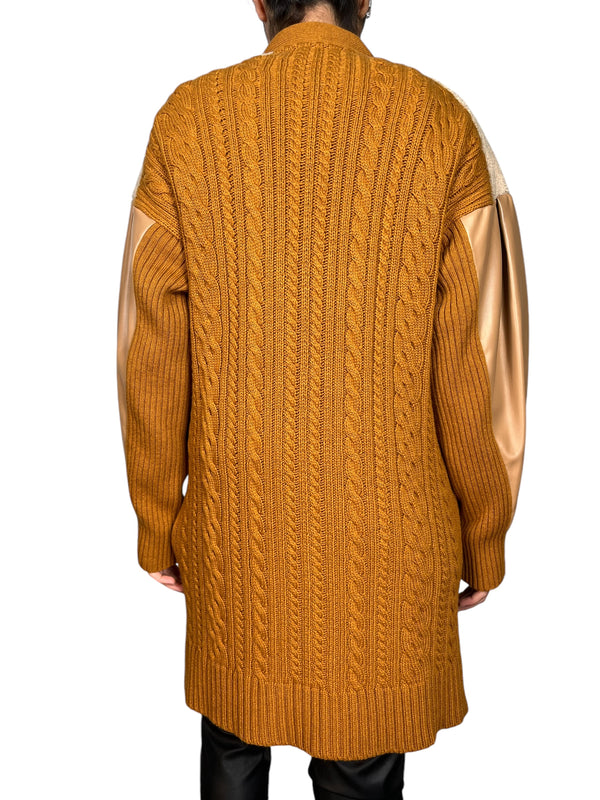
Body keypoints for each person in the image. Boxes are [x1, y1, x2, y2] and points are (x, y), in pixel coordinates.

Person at [116, 0, 529, 797]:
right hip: (388, 566)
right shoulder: (441, 125)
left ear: (258, 2)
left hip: (238, 547)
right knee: (362, 766)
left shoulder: (187, 122)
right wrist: (485, 533)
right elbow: (479, 362)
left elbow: (151, 349)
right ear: (365, 1)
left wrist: (157, 517)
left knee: (234, 746)